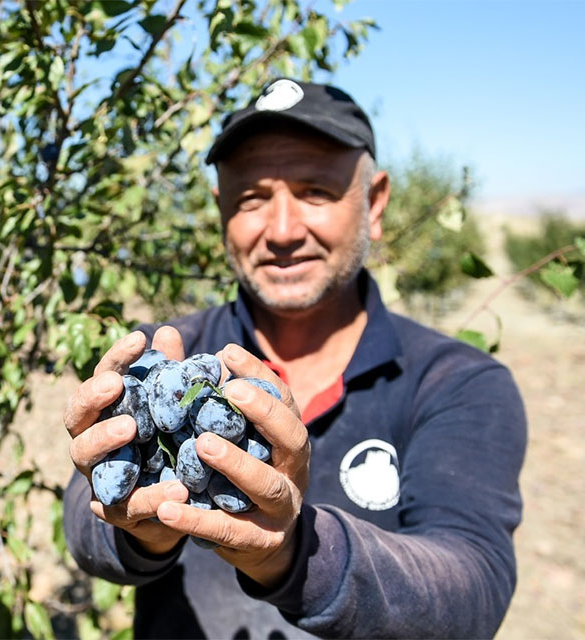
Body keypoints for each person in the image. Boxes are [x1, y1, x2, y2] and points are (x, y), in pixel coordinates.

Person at [61, 79, 526, 638]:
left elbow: (472, 588)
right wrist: (143, 529)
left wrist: (293, 553)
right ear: (221, 211)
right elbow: (84, 521)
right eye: (252, 197)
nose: (282, 230)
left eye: (315, 192)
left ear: (374, 204)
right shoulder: (168, 360)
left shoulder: (458, 383)